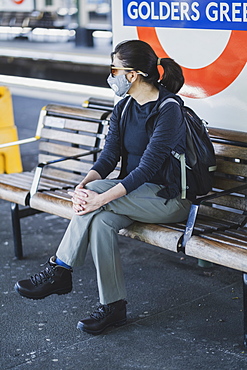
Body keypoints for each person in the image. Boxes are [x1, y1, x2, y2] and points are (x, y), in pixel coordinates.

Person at [14, 39, 194, 335]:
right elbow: (109, 155)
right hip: (133, 195)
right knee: (100, 223)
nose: (111, 75)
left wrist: (97, 197)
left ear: (132, 75)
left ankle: (59, 268)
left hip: (169, 198)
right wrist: (83, 185)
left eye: (115, 69)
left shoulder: (168, 109)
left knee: (97, 202)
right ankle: (113, 307)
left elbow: (148, 168)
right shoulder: (123, 108)